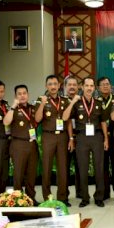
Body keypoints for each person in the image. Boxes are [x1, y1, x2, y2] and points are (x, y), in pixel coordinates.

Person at [65, 77, 108, 208]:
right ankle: (84, 197)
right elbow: (66, 119)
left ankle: (99, 197)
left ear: (94, 88)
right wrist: (71, 138)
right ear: (81, 87)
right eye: (87, 86)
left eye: (91, 86)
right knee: (82, 168)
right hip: (81, 137)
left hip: (97, 136)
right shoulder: (76, 103)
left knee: (99, 167)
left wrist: (106, 138)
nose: (89, 88)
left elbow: (103, 122)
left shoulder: (99, 103)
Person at [35, 75, 70, 205]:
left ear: (59, 85)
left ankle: (62, 198)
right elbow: (37, 119)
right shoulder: (41, 100)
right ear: (46, 86)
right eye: (50, 84)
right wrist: (43, 104)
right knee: (46, 167)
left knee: (62, 168)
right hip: (48, 136)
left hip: (62, 136)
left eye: (55, 84)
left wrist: (71, 138)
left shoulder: (65, 100)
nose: (53, 86)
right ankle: (47, 198)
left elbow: (68, 121)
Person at [4, 84, 39, 202]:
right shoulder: (13, 109)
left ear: (28, 94)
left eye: (24, 93)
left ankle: (30, 198)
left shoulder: (32, 108)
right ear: (15, 96)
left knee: (31, 174)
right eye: (19, 94)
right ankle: (18, 200)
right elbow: (6, 121)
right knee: (18, 174)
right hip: (18, 144)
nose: (22, 96)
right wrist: (13, 106)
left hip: (32, 144)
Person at [98, 77, 114, 200]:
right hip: (101, 138)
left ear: (111, 86)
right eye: (102, 85)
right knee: (103, 166)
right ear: (98, 87)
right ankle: (105, 193)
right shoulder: (96, 101)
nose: (105, 86)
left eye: (107, 84)